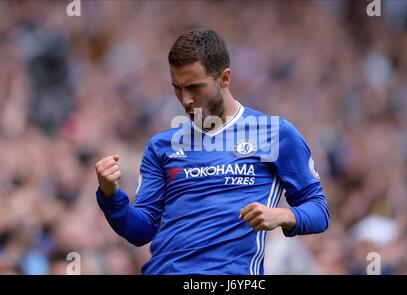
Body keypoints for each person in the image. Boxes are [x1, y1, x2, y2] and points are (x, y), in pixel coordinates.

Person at [95, 28, 330, 275]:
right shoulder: (162, 146)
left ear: (225, 78)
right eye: (177, 87)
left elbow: (319, 210)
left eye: (195, 87)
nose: (185, 99)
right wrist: (111, 196)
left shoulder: (276, 133)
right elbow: (140, 231)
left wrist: (282, 215)